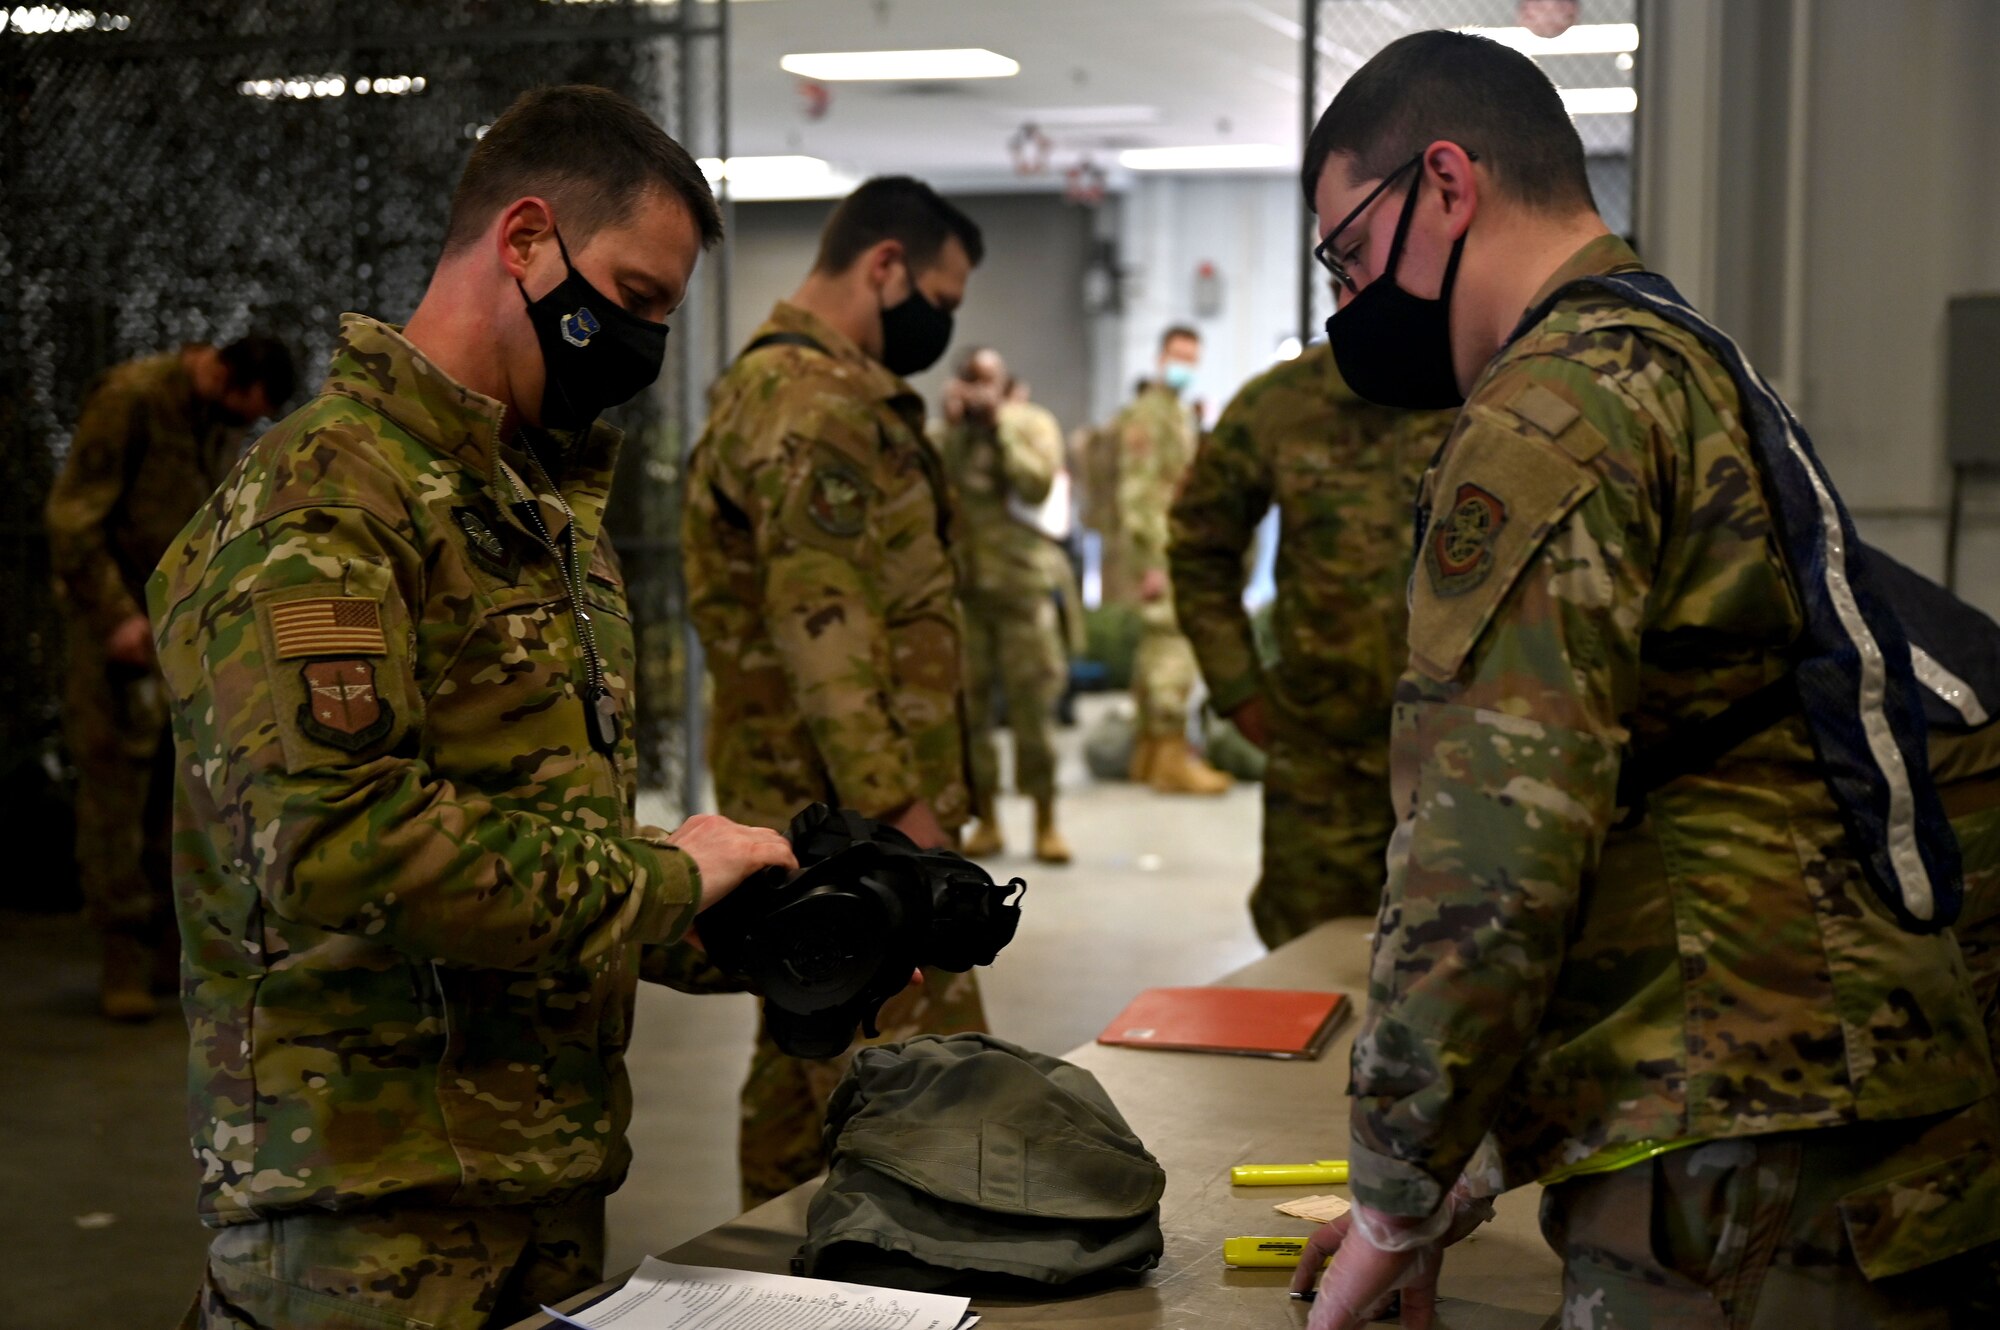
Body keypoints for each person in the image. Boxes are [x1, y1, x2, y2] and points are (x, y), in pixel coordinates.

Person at [1288, 32, 1999, 1330]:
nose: (1346, 303)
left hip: (1735, 1136)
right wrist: (1450, 1181)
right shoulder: (1672, 353)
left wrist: (1392, 1195)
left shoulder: (1544, 412)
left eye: (1349, 251)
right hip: (1841, 1097)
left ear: (1445, 182)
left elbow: (1488, 855)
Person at [149, 86, 798, 1330]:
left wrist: (760, 919)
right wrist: (665, 879)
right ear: (526, 239)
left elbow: (534, 835)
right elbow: (337, 842)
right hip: (367, 1220)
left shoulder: (527, 504)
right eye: (635, 295)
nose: (641, 343)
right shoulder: (326, 502)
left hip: (533, 1185)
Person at [683, 176, 992, 1207]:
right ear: (885, 266)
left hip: (817, 821)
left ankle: (768, 1265)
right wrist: (899, 815)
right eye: (939, 300)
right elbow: (824, 621)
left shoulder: (794, 388)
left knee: (803, 1063)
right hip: (850, 834)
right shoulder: (811, 402)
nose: (940, 325)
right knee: (928, 1103)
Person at [1169, 341, 1455, 947]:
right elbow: (1199, 545)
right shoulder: (1281, 404)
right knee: (1308, 960)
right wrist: (1237, 687)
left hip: (1468, 759)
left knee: (1463, 967)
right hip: (1324, 759)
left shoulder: (1487, 384)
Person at [45, 333, 294, 1020]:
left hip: (181, 634)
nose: (245, 423)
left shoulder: (213, 419)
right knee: (115, 795)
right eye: (247, 407)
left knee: (177, 792)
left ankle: (169, 948)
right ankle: (122, 954)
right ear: (226, 374)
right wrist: (115, 617)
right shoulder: (132, 400)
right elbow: (74, 517)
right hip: (118, 633)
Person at [936, 347, 1073, 865]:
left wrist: (1000, 429)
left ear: (1006, 383)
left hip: (1022, 591)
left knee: (1033, 711)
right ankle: (987, 820)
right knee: (970, 718)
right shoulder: (950, 436)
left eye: (989, 381)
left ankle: (1045, 820)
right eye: (971, 381)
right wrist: (956, 429)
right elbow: (934, 489)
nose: (980, 392)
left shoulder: (1032, 425)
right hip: (967, 593)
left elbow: (1037, 485)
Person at [1112, 326, 1229, 795]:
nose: (1185, 366)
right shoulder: (1150, 414)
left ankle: (1147, 754)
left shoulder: (1177, 412)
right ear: (1160, 357)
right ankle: (1170, 758)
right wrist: (1153, 561)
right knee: (1172, 647)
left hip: (1169, 543)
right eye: (1178, 355)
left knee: (1153, 649)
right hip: (1162, 549)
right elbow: (1137, 493)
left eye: (1192, 358)